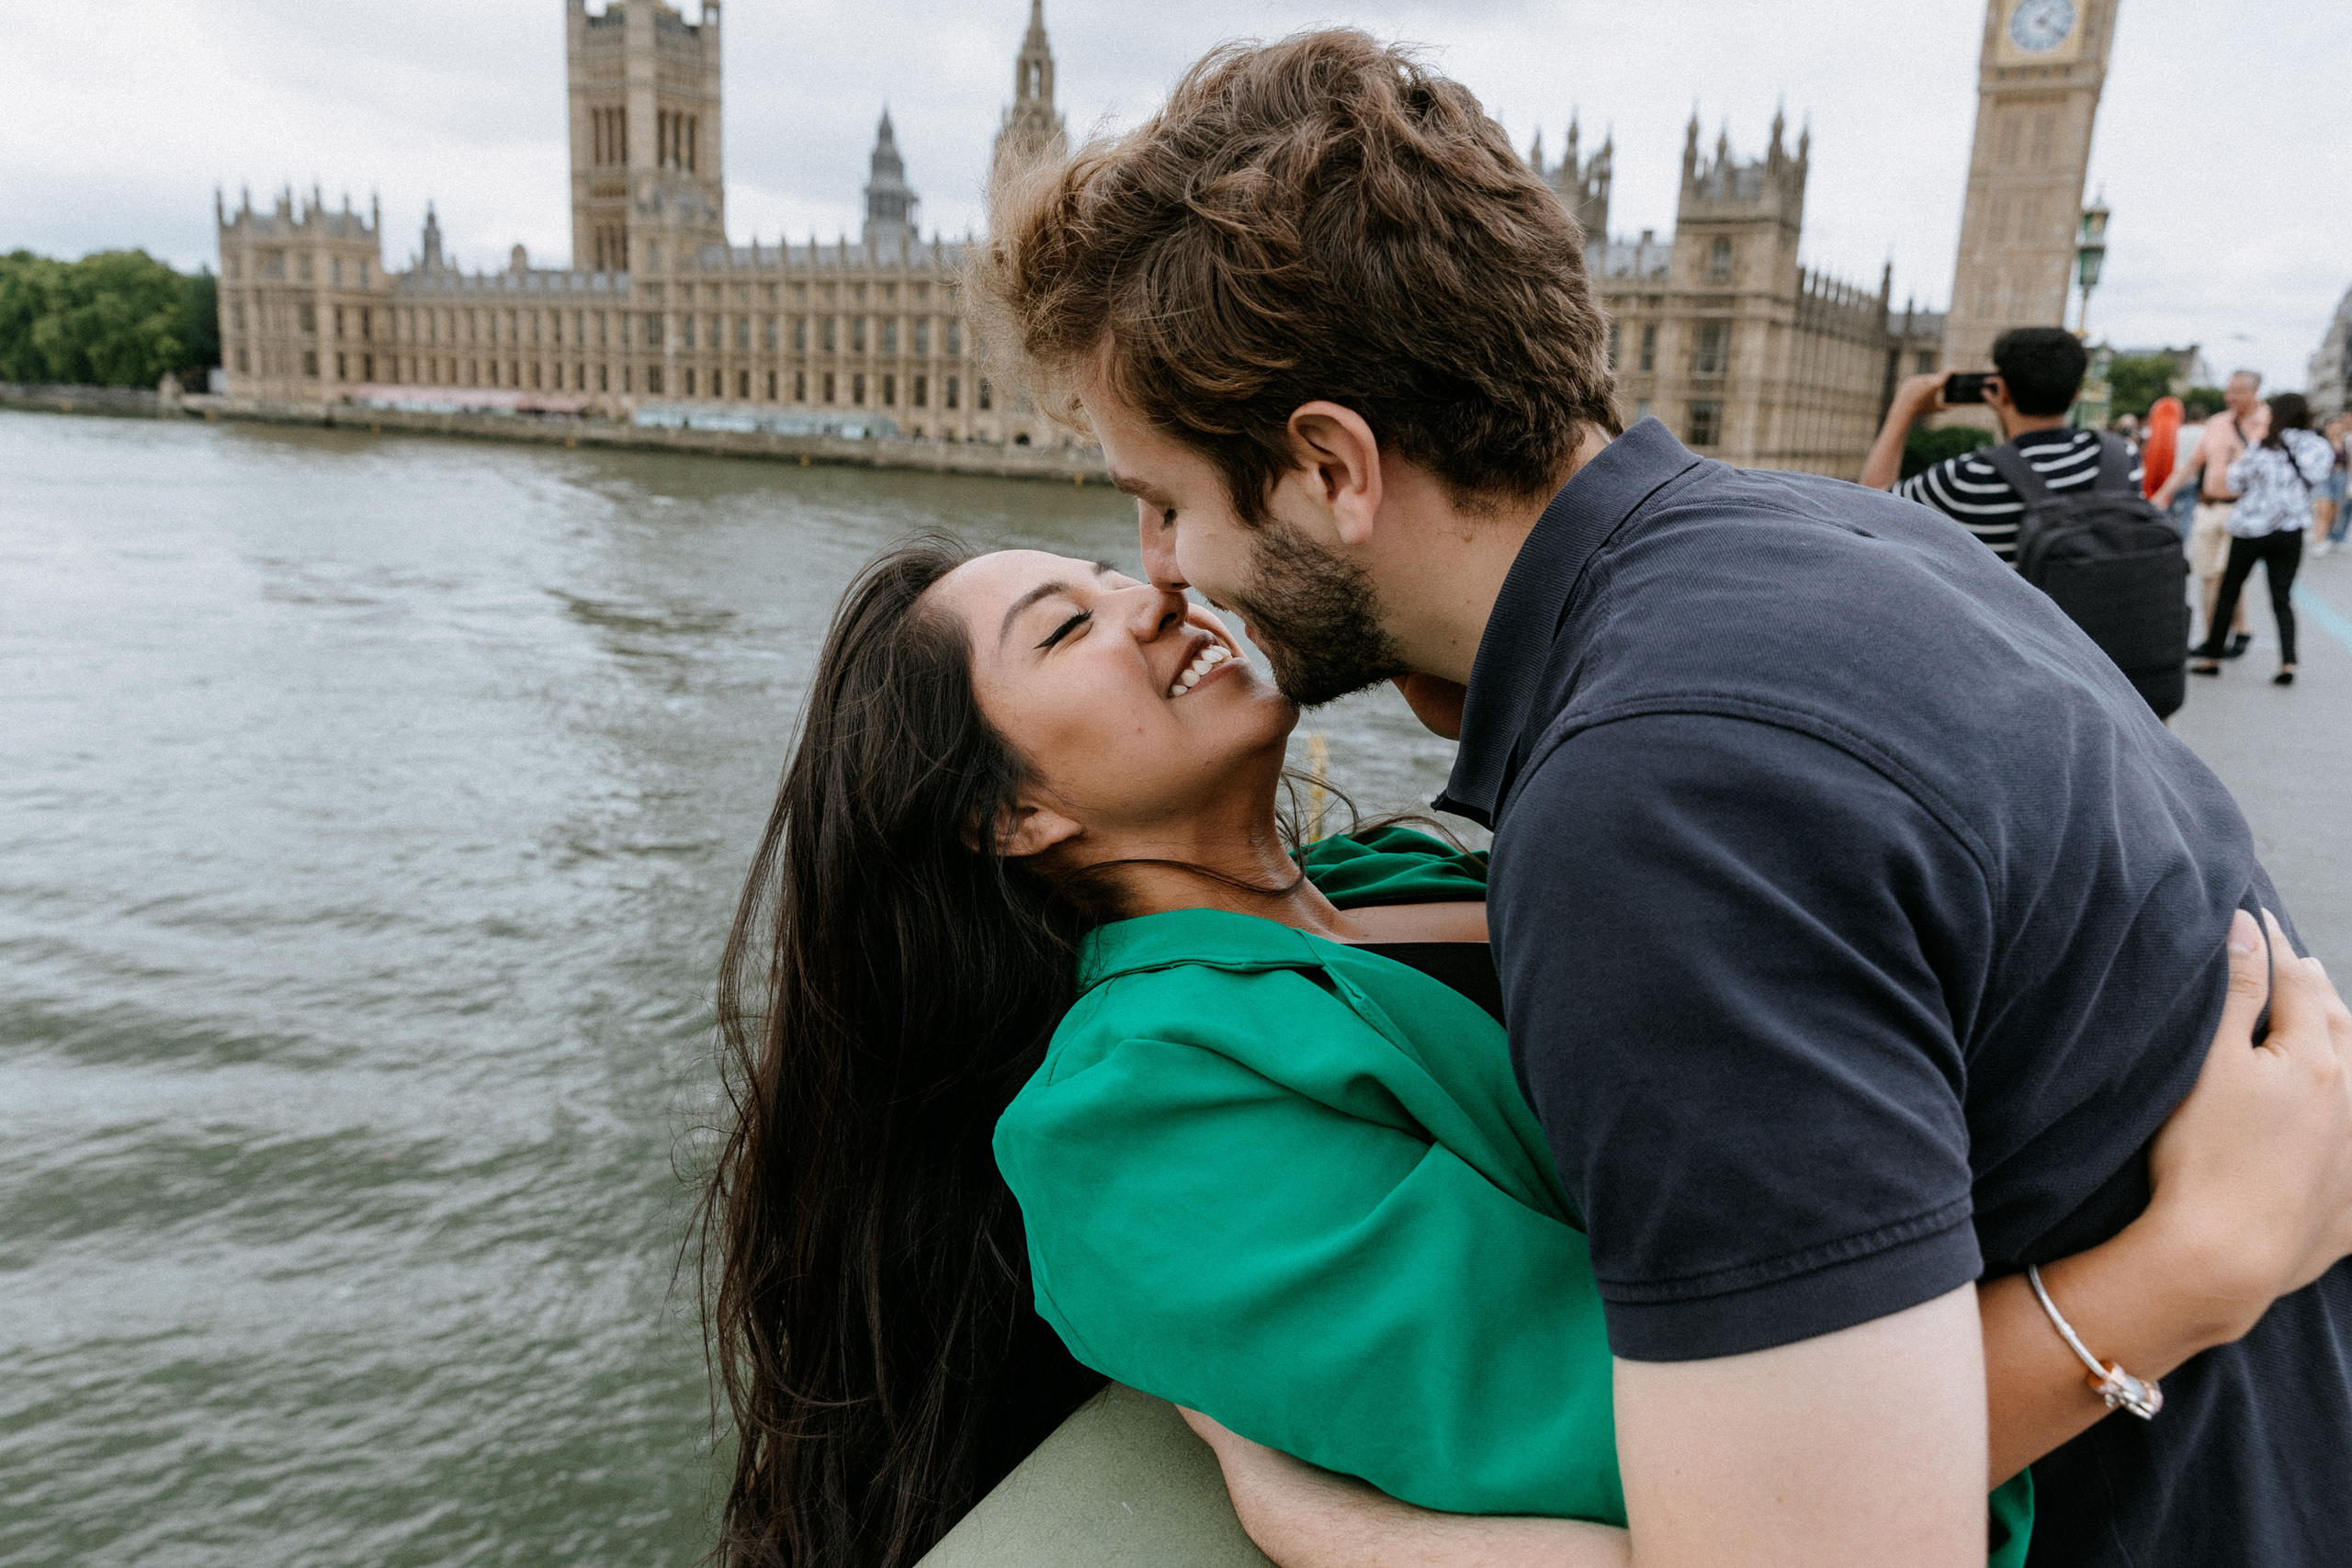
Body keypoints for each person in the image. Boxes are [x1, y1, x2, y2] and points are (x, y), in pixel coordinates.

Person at [975, 31, 2351, 1568]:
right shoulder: (1828, 541)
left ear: (1328, 468)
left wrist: (1321, 1516)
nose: (1166, 570)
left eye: (1165, 501)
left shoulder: (1658, 807)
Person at [697, 534, 2352, 1568]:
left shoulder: (1409, 869)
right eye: (1069, 629)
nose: (1158, 598)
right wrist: (2202, 1262)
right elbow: (1731, 1463)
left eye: (1123, 566)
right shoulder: (1127, 1120)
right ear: (1017, 811)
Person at [2192, 392, 2333, 685]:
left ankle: (2213, 656)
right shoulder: (2318, 447)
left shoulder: (2262, 446)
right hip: (2290, 530)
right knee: (2282, 598)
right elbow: (2317, 481)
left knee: (2229, 591)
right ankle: (2288, 663)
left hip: (2251, 529)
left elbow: (2235, 481)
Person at [2154, 370, 2267, 655]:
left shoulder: (2267, 423)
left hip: (2242, 510)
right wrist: (2161, 495)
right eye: (2228, 390)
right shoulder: (2217, 423)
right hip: (2208, 506)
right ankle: (2227, 632)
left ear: (2254, 392)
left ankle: (2221, 637)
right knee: (2208, 573)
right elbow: (2192, 465)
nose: (2230, 397)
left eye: (2237, 391)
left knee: (2223, 573)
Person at [2315, 412, 2347, 557]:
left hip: (2341, 477)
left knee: (2334, 512)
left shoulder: (2347, 442)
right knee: (2323, 511)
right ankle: (2318, 541)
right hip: (2325, 477)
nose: (2336, 428)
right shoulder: (2321, 442)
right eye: (2334, 425)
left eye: (2339, 425)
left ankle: (2327, 536)